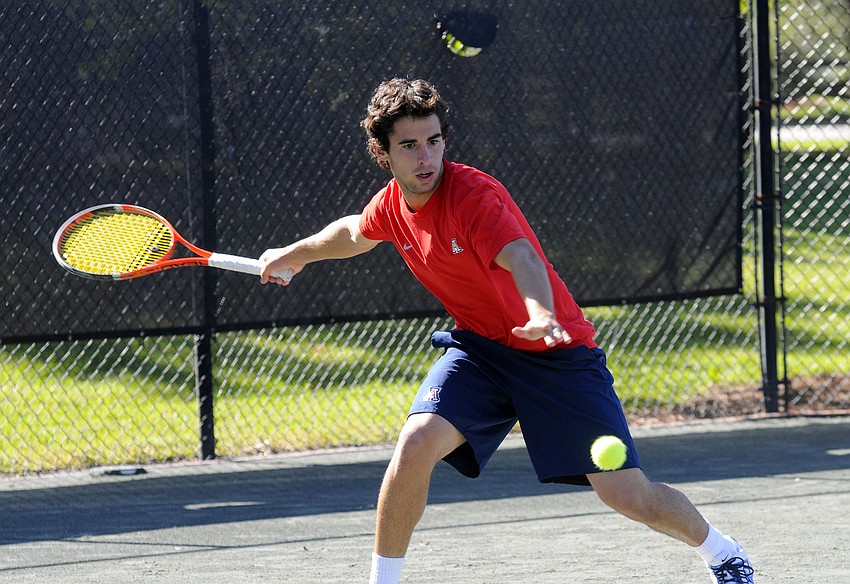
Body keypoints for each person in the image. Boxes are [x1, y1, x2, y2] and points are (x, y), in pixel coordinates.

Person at [259, 78, 755, 584]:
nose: (425, 156)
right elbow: (353, 232)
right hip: (481, 351)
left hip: (556, 355)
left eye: (433, 141)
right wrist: (294, 255)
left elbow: (520, 255)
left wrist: (540, 313)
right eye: (408, 145)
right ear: (384, 152)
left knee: (629, 496)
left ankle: (723, 552)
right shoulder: (393, 205)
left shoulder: (472, 197)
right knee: (416, 442)